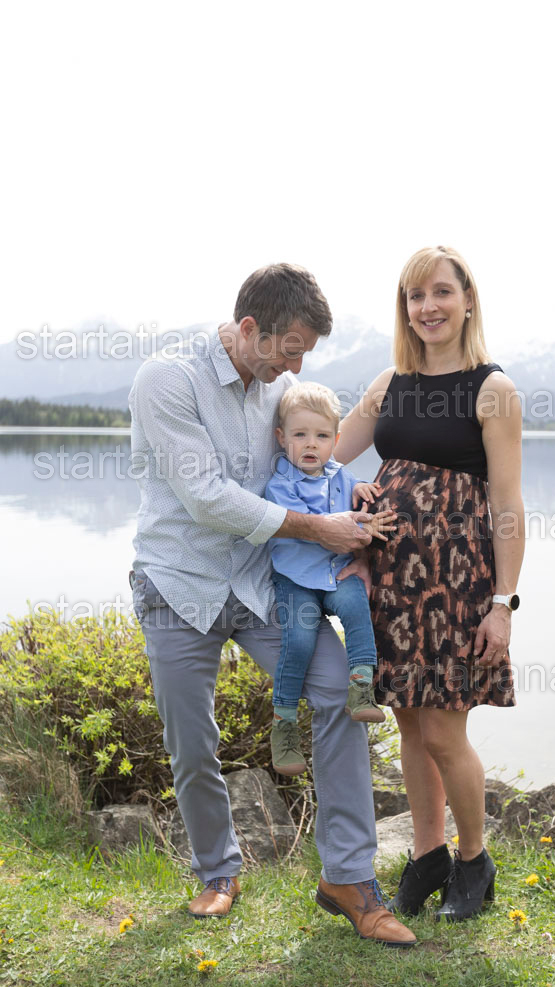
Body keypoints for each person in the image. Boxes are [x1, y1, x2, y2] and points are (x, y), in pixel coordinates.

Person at [128, 263, 415, 948]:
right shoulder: (167, 380)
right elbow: (207, 499)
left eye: (305, 353)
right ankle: (218, 870)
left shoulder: (281, 390)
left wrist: (351, 498)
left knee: (341, 694)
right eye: (290, 349)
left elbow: (317, 460)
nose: (297, 366)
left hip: (263, 585)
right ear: (250, 328)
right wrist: (318, 529)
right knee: (191, 741)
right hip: (176, 586)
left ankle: (348, 878)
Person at [335, 245, 524, 922]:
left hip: (457, 582)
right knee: (410, 724)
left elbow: (507, 504)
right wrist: (347, 490)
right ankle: (427, 855)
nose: (427, 307)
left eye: (441, 292)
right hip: (391, 579)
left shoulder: (493, 389)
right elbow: (323, 454)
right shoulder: (389, 383)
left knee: (444, 731)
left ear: (467, 300)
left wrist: (502, 604)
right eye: (415, 296)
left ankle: (473, 860)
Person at [264, 381, 393, 777]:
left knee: (357, 609)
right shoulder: (279, 485)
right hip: (296, 579)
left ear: (335, 440)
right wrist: (349, 523)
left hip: (338, 570)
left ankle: (361, 687)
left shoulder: (343, 477)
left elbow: (354, 503)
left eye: (321, 436)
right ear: (281, 438)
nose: (310, 444)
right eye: (300, 435)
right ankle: (284, 724)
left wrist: (364, 495)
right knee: (299, 641)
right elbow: (311, 524)